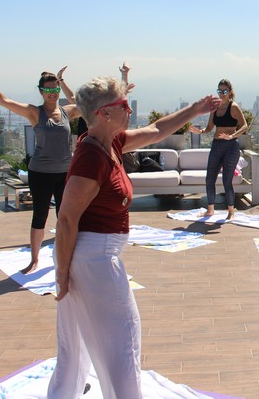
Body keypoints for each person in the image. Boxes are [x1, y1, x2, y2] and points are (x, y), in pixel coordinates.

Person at [47, 75, 219, 397]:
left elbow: (157, 131)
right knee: (123, 341)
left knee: (80, 348)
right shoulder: (90, 157)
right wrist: (62, 275)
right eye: (122, 104)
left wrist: (194, 110)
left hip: (90, 256)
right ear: (103, 114)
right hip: (93, 257)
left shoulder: (108, 142)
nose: (129, 109)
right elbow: (67, 219)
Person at [0, 64, 81, 274]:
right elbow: (5, 102)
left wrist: (62, 81)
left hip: (64, 172)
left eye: (55, 89)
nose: (53, 93)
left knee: (64, 217)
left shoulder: (67, 112)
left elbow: (79, 102)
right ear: (41, 92)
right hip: (40, 173)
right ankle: (34, 260)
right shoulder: (35, 112)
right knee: (39, 216)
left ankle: (66, 257)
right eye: (48, 90)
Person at [190, 79, 248, 220]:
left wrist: (232, 136)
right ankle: (210, 210)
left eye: (225, 91)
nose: (222, 94)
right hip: (216, 145)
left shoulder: (233, 107)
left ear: (230, 93)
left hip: (231, 146)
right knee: (210, 179)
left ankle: (231, 212)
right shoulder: (214, 108)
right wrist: (200, 131)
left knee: (226, 181)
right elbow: (210, 128)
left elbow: (244, 126)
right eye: (219, 91)